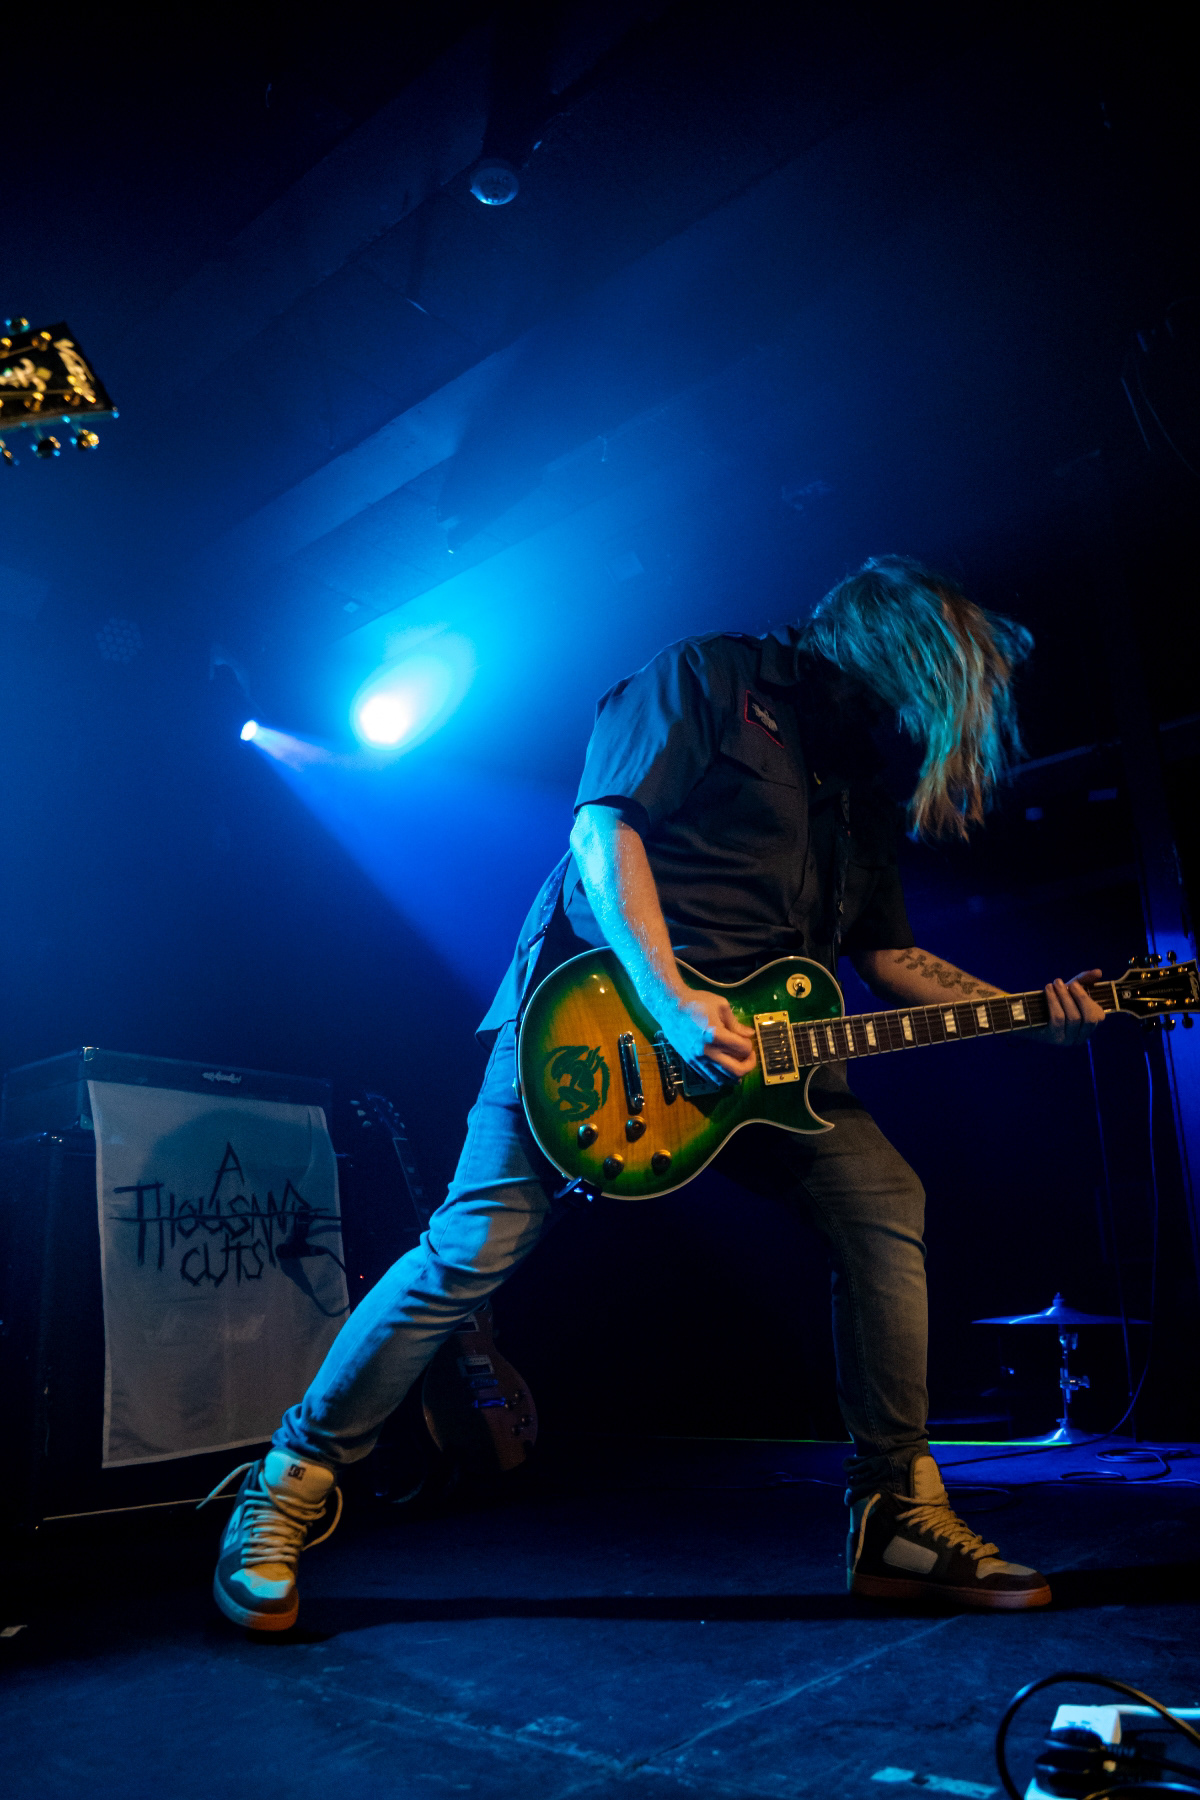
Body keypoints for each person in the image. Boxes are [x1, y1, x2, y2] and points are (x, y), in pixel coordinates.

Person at [206, 555, 1106, 1632]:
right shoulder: (710, 678)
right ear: (886, 641)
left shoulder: (857, 784)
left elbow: (887, 956)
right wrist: (672, 1000)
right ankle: (285, 1487)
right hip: (604, 1020)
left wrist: (1027, 1009)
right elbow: (603, 830)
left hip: (762, 1060)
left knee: (882, 1203)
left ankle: (898, 1514)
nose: (934, 711)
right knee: (470, 1249)